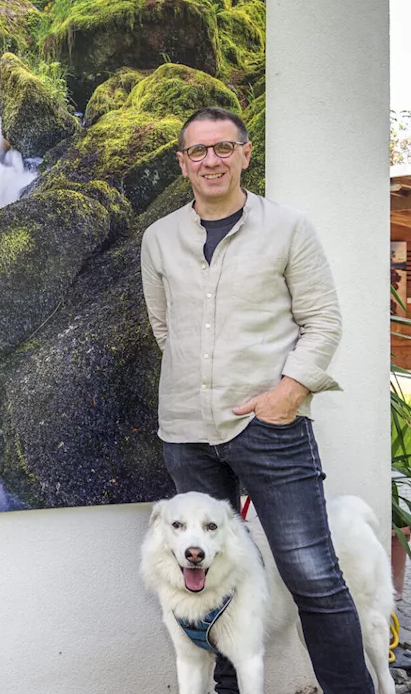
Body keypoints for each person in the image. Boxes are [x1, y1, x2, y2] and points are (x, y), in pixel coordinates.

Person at [139, 106, 372, 694]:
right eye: (198, 152)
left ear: (245, 153)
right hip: (187, 434)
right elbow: (164, 329)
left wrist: (287, 394)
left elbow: (323, 321)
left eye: (223, 148)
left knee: (313, 575)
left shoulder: (289, 228)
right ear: (182, 162)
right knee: (212, 579)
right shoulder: (159, 238)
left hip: (270, 429)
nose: (211, 161)